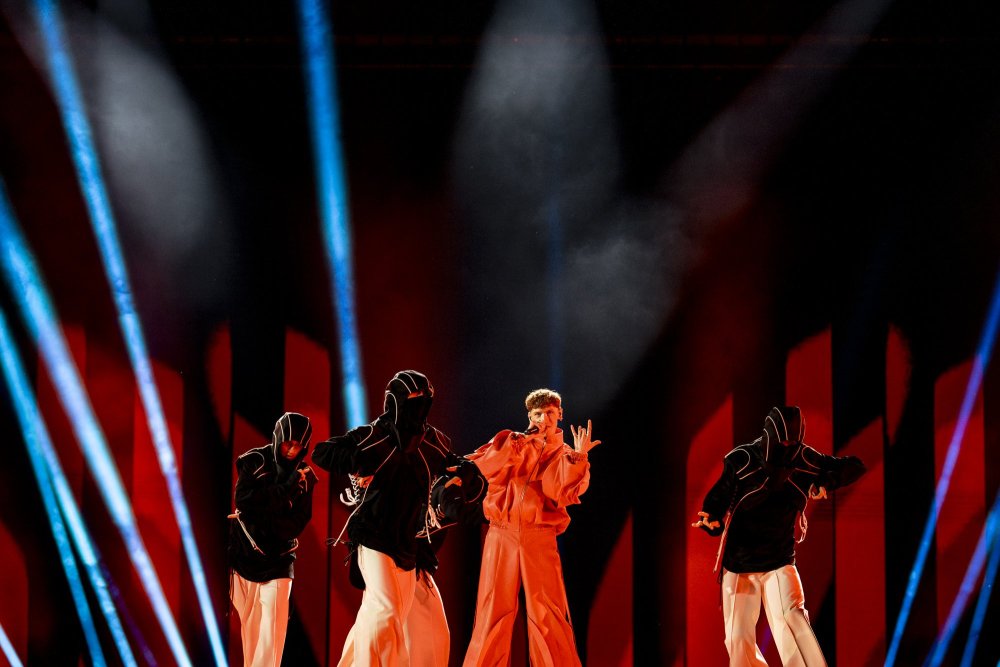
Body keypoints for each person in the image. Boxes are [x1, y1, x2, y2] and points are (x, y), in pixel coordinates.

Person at [312, 369, 478, 667]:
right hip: (374, 538)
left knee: (383, 619)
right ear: (395, 402)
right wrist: (357, 462)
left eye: (425, 401)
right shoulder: (375, 436)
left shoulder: (434, 442)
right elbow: (324, 452)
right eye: (412, 401)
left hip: (409, 548)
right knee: (385, 613)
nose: (419, 407)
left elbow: (459, 468)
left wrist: (467, 473)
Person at [692, 405, 866, 667]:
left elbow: (854, 466)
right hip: (740, 564)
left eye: (792, 442)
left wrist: (824, 483)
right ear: (770, 435)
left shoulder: (804, 460)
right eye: (782, 441)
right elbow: (719, 497)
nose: (786, 447)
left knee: (792, 620)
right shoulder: (743, 459)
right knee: (737, 641)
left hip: (779, 561)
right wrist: (711, 519)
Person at [463, 388, 600, 667]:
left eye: (550, 413)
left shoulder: (564, 453)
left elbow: (560, 492)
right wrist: (514, 445)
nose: (544, 420)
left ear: (560, 414)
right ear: (529, 416)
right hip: (501, 532)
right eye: (538, 414)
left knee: (547, 613)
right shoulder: (512, 442)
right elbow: (479, 469)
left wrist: (577, 459)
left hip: (539, 536)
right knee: (492, 610)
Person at [228, 411, 318, 667]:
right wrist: (285, 490)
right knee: (252, 630)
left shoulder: (306, 476)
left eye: (299, 445)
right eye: (288, 442)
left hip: (279, 559)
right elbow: (244, 500)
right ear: (278, 437)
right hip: (244, 558)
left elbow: (299, 520)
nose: (292, 450)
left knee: (272, 630)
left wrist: (266, 517)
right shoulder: (254, 461)